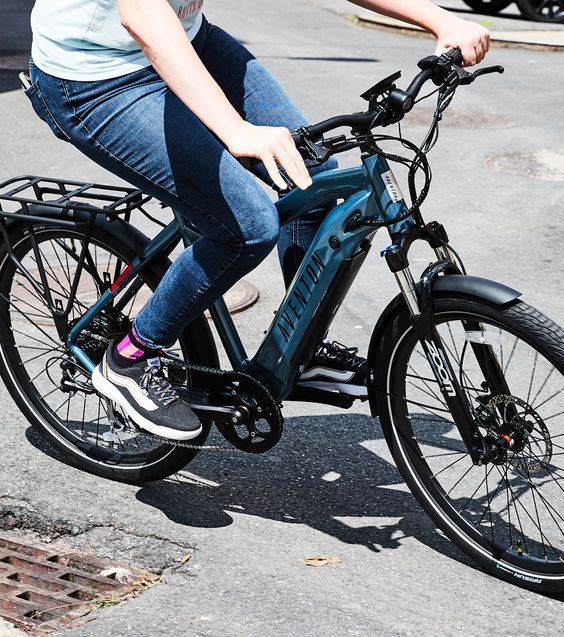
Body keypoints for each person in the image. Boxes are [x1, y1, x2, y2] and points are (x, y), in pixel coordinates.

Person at [27, 0, 490, 441]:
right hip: (95, 77)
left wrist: (439, 20)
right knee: (246, 227)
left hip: (189, 42)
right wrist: (236, 131)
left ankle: (299, 350)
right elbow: (143, 13)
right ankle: (129, 357)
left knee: (313, 180)